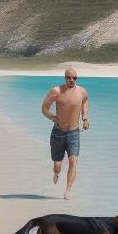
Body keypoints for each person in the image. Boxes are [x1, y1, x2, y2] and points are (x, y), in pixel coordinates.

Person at [41, 67, 89, 200]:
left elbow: (85, 101)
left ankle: (67, 191)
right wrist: (51, 117)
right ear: (65, 78)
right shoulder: (56, 91)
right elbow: (44, 108)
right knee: (57, 166)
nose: (72, 80)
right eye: (69, 77)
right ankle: (56, 174)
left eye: (74, 78)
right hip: (58, 133)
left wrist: (85, 118)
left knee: (73, 161)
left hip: (74, 133)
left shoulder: (82, 92)